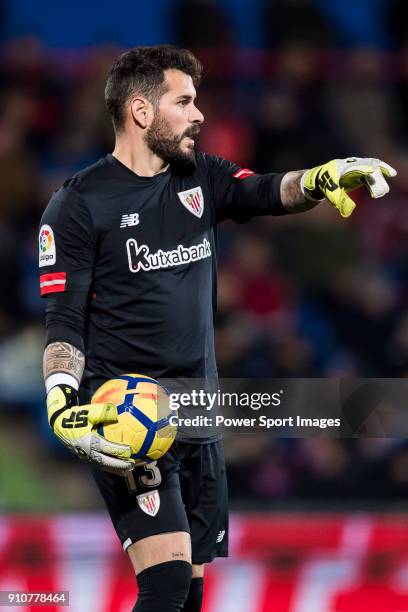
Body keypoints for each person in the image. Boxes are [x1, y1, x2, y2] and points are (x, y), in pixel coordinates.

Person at [39, 45, 396, 612]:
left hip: (199, 414)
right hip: (131, 416)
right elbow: (63, 320)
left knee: (192, 594)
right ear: (140, 111)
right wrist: (61, 402)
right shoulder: (78, 205)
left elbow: (269, 191)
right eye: (184, 101)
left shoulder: (201, 176)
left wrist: (324, 176)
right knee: (167, 583)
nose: (199, 114)